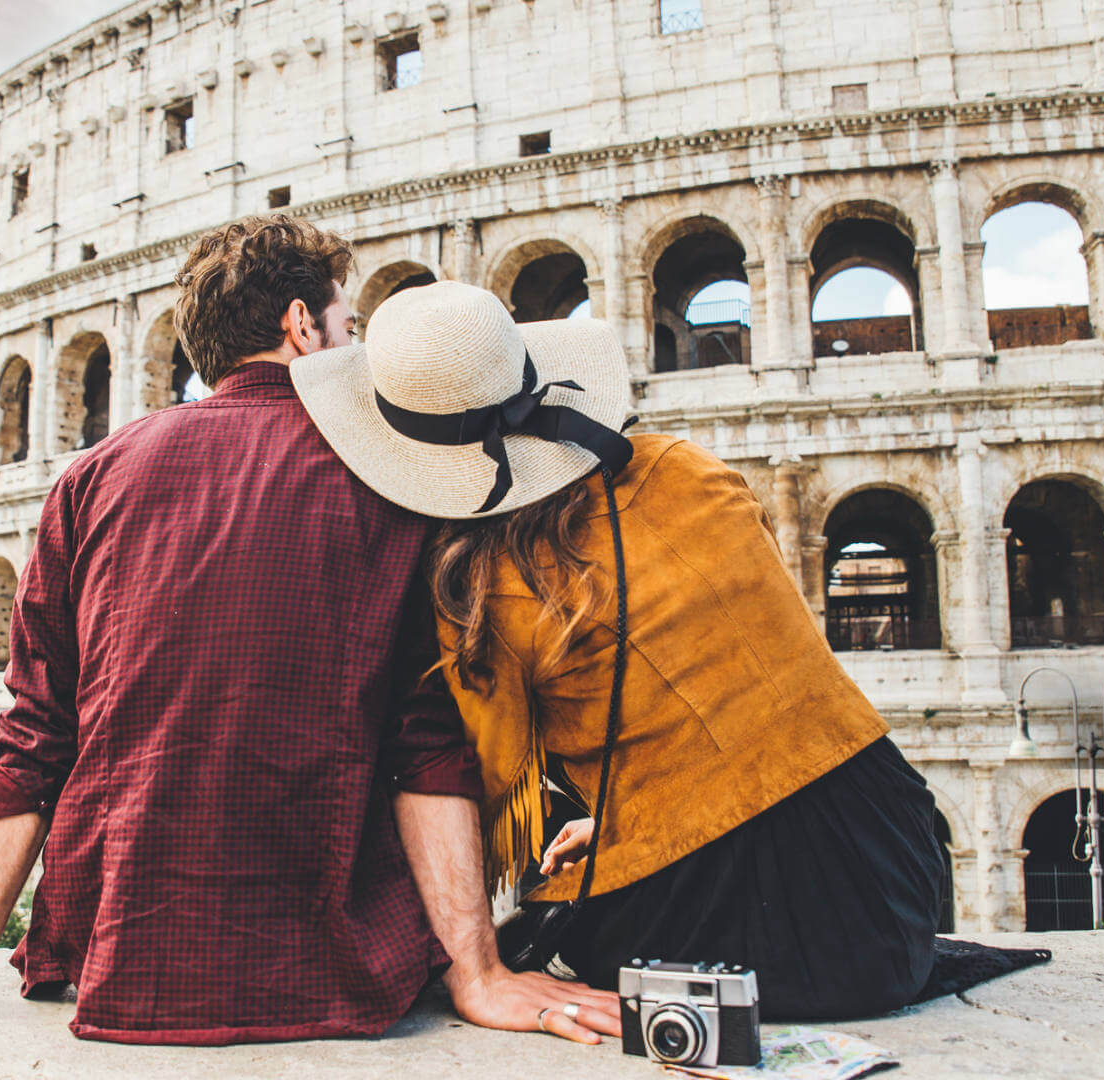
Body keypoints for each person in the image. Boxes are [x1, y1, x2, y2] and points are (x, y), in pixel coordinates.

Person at [0, 218, 618, 1045]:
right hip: (337, 964)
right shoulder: (393, 480)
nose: (353, 346)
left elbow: (32, 738)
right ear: (302, 327)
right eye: (347, 326)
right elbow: (422, 746)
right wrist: (479, 973)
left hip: (117, 960)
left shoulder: (90, 479)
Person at [290, 281, 944, 1019]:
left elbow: (488, 774)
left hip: (720, 927)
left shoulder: (481, 582)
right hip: (890, 873)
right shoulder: (687, 467)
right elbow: (737, 689)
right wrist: (635, 815)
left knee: (550, 916)